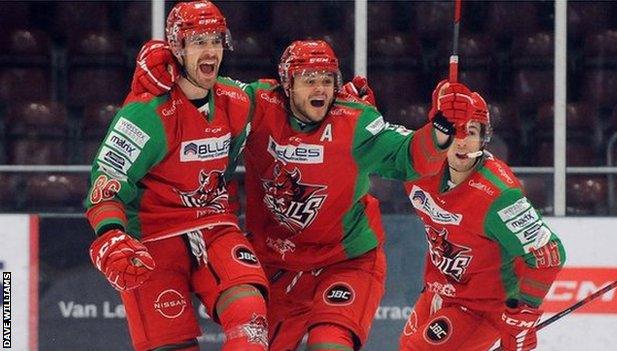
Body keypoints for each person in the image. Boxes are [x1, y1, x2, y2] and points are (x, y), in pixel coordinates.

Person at [130, 35, 476, 350]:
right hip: (276, 264)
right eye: (309, 80)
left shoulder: (354, 120)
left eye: (327, 80)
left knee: (330, 343)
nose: (320, 89)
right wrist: (164, 72)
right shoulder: (257, 103)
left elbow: (409, 157)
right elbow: (204, 91)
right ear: (287, 84)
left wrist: (442, 129)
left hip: (345, 261)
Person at [85, 2, 269, 350]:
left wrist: (342, 105)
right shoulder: (146, 112)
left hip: (215, 225)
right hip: (153, 237)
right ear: (178, 49)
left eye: (215, 40)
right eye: (198, 41)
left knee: (250, 313)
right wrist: (111, 234)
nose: (211, 50)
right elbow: (108, 176)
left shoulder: (236, 100)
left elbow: (288, 98)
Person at [398, 84, 566, 351]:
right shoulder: (417, 165)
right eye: (455, 129)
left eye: (472, 132)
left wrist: (523, 315)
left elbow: (549, 254)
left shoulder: (498, 194)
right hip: (438, 291)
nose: (462, 141)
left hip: (482, 307)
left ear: (484, 137)